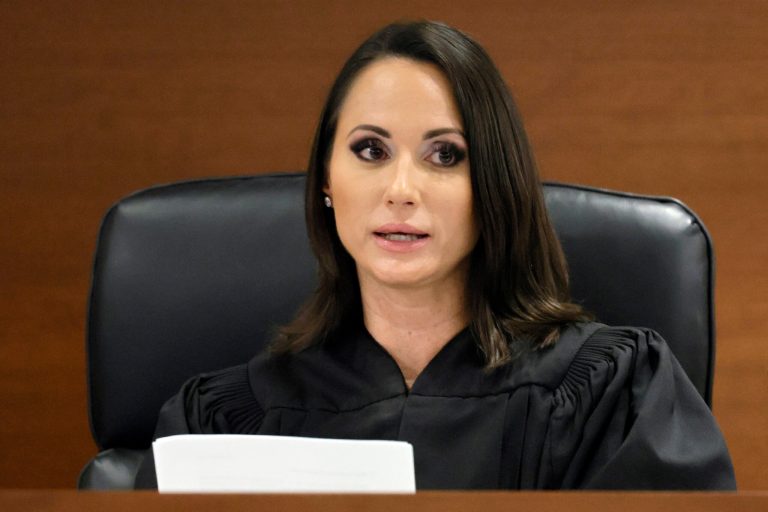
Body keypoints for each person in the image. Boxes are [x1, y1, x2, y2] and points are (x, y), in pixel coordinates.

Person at [135, 20, 735, 490]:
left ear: (494, 184)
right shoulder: (221, 421)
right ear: (325, 179)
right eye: (370, 150)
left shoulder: (612, 395)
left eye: (445, 155)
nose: (401, 189)